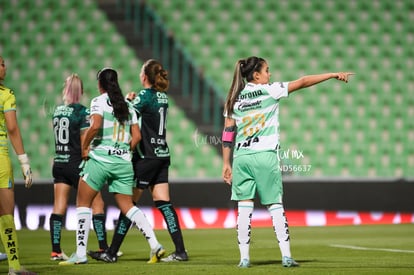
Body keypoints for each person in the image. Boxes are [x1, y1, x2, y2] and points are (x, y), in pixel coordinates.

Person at [221, 56, 354, 268]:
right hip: (265, 154)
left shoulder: (234, 99)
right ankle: (286, 256)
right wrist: (330, 75)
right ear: (256, 75)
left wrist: (226, 162)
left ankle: (244, 259)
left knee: (244, 207)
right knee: (275, 205)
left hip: (241, 157)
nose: (270, 74)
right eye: (267, 70)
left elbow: (228, 132)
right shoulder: (270, 90)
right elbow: (302, 81)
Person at [59, 68, 165, 265]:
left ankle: (80, 255)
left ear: (100, 84)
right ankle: (155, 244)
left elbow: (96, 125)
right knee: (128, 206)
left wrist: (84, 147)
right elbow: (137, 137)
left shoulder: (98, 102)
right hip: (123, 163)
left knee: (83, 203)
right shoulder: (128, 106)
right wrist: (125, 151)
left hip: (100, 161)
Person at [89, 59, 188, 263]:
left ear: (144, 76)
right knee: (164, 203)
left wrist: (126, 98)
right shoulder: (163, 97)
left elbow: (125, 112)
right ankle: (180, 251)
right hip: (162, 154)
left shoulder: (145, 96)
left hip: (146, 157)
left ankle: (111, 252)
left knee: (128, 205)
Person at [49, 74, 109, 261]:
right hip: (77, 164)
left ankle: (56, 250)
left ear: (65, 91)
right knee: (97, 202)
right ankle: (103, 247)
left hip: (59, 163)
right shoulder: (83, 112)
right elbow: (84, 141)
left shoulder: (58, 111)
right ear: (81, 91)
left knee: (59, 206)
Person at [0, 56, 36, 274]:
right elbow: (12, 128)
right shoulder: (5, 94)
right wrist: (24, 161)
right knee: (5, 213)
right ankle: (14, 267)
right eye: (1, 63)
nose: (5, 67)